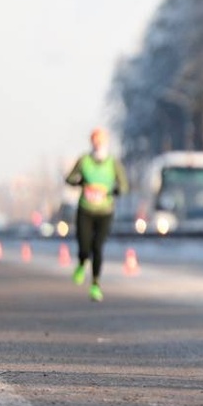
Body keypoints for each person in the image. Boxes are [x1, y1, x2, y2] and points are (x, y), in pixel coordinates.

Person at [65, 127, 129, 302]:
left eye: (101, 141)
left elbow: (124, 186)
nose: (98, 144)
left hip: (105, 211)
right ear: (91, 142)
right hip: (85, 210)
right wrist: (80, 182)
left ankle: (95, 284)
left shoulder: (113, 163)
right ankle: (81, 262)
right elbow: (69, 178)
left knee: (98, 247)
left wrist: (113, 191)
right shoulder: (84, 160)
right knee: (84, 246)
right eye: (96, 141)